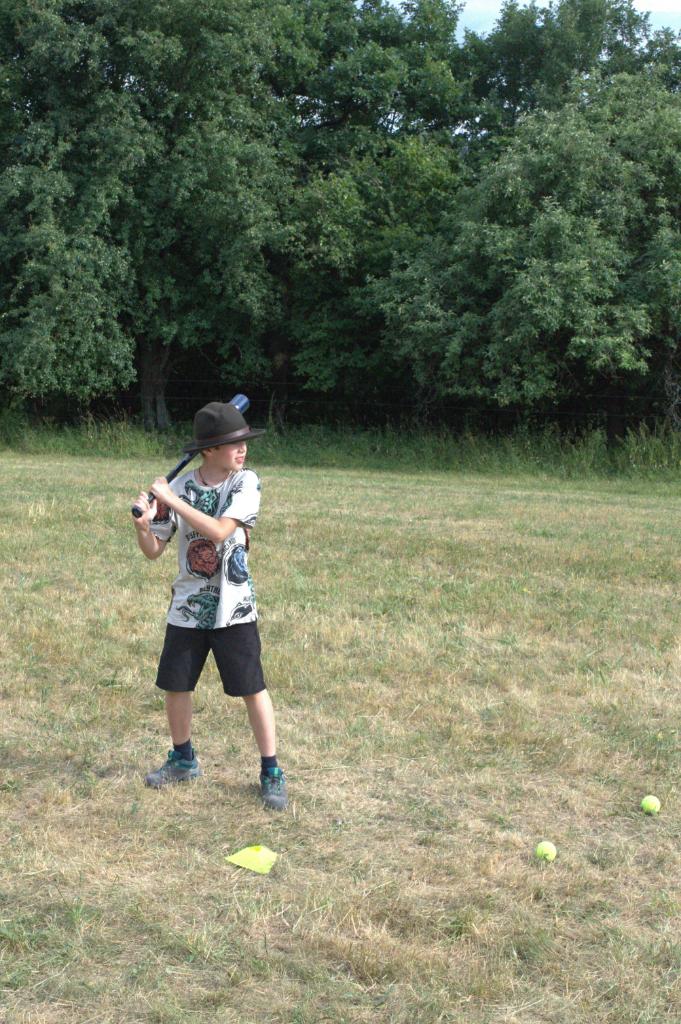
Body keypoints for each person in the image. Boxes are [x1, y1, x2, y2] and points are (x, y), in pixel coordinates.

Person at [131, 400, 287, 811]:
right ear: (210, 450)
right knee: (176, 684)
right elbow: (154, 550)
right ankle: (183, 759)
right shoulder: (180, 487)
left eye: (245, 442)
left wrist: (172, 499)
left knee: (252, 687)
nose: (243, 449)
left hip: (234, 607)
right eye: (235, 443)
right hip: (188, 605)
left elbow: (219, 531)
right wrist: (144, 527)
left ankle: (271, 770)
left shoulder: (245, 482)